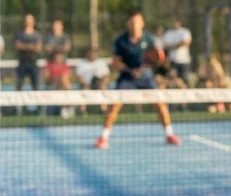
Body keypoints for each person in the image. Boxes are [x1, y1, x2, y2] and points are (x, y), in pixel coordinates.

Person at [95, 11, 181, 150]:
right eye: (132, 22)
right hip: (127, 77)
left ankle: (169, 134)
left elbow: (156, 58)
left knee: (160, 103)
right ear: (128, 24)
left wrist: (150, 65)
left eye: (137, 22)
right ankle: (103, 137)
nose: (135, 25)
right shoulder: (121, 41)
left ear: (142, 24)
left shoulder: (149, 38)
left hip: (146, 76)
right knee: (115, 105)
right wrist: (130, 70)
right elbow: (116, 62)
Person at [75, 48, 110, 113]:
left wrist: (102, 81)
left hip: (99, 82)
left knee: (102, 85)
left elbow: (106, 75)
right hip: (86, 83)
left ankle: (103, 109)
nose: (92, 56)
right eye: (91, 54)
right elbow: (78, 75)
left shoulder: (101, 62)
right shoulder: (82, 63)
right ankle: (82, 110)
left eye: (94, 54)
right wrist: (84, 82)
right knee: (84, 88)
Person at [14, 14, 42, 94]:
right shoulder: (19, 33)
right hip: (22, 62)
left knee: (35, 86)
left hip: (33, 62)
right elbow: (18, 46)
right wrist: (31, 46)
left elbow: (38, 48)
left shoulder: (37, 34)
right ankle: (16, 106)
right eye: (27, 21)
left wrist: (25, 46)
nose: (28, 22)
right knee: (19, 85)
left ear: (33, 22)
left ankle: (39, 106)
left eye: (30, 21)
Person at [162, 19, 192, 86]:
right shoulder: (168, 33)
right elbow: (165, 46)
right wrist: (178, 45)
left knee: (184, 81)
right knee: (172, 81)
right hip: (173, 61)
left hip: (184, 61)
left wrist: (173, 45)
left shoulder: (185, 32)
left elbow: (186, 43)